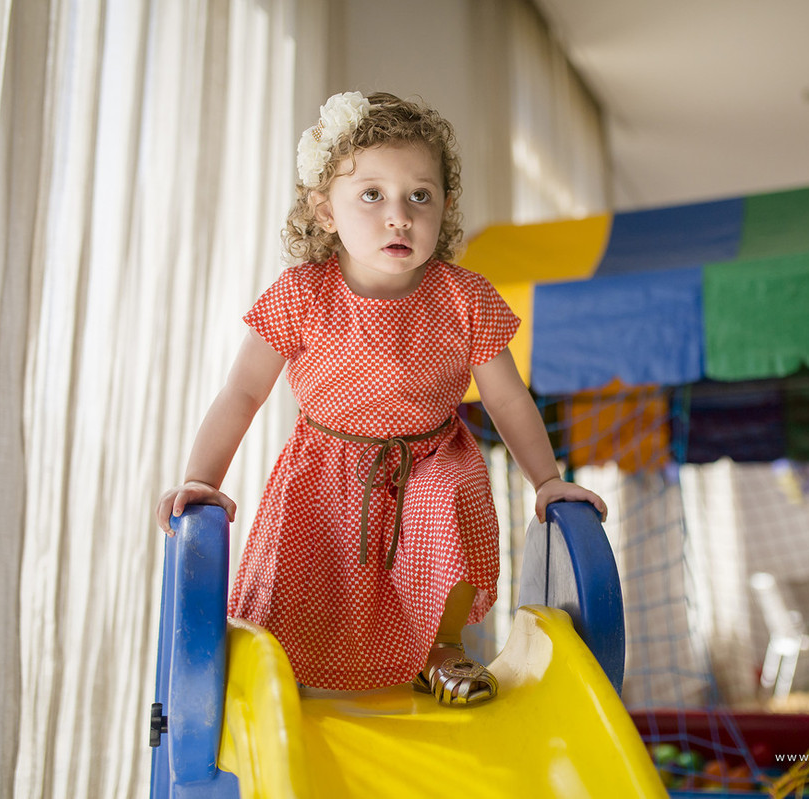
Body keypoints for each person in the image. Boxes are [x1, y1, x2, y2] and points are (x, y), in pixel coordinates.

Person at [155, 91, 606, 707]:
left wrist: (547, 482)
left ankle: (442, 648)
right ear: (325, 211)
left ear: (444, 207)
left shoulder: (464, 297)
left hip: (429, 459)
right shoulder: (302, 294)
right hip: (326, 465)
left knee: (452, 495)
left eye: (420, 196)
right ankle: (285, 669)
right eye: (372, 195)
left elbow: (508, 400)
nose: (399, 216)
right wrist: (201, 479)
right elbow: (241, 393)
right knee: (305, 576)